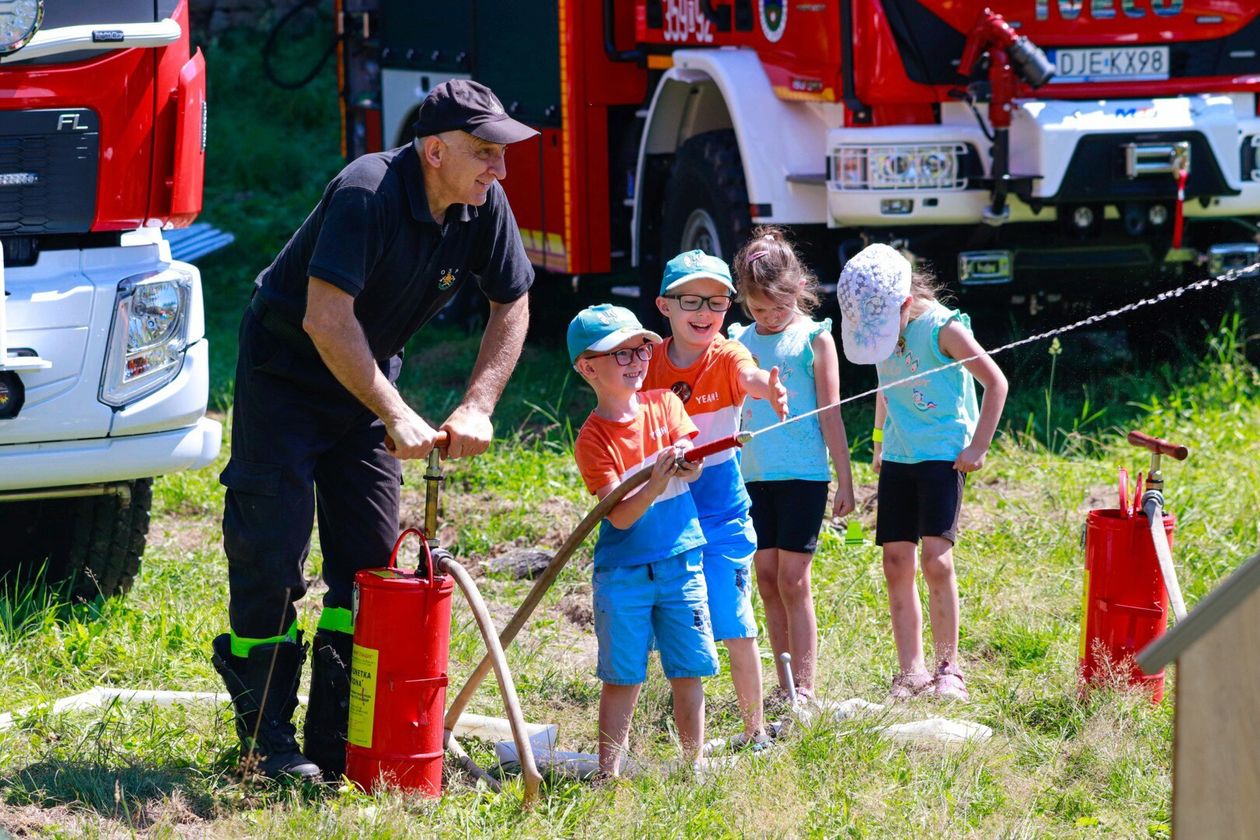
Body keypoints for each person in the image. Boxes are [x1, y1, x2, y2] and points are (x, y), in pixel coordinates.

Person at [211, 79, 538, 780]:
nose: (498, 170)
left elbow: (512, 306)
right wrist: (395, 411)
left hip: (362, 381)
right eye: (485, 153)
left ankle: (340, 739)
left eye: (502, 155)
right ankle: (264, 744)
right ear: (433, 150)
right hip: (286, 374)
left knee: (369, 566)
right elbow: (325, 320)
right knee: (270, 551)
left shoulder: (483, 205)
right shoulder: (367, 193)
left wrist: (478, 403)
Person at [835, 244, 1008, 702]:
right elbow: (884, 388)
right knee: (896, 561)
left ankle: (949, 668)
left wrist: (978, 446)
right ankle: (910, 672)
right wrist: (876, 442)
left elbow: (996, 382)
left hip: (943, 452)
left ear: (905, 303)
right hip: (899, 452)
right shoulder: (880, 333)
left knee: (936, 558)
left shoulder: (942, 328)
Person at [642, 250, 787, 747]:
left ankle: (756, 731)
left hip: (723, 513)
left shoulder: (728, 356)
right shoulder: (650, 363)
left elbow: (748, 377)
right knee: (682, 622)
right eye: (691, 300)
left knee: (735, 621)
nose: (704, 312)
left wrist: (765, 389)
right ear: (665, 306)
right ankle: (690, 739)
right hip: (669, 516)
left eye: (718, 301)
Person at [569, 303, 719, 776]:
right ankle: (607, 774)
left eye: (641, 349)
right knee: (623, 676)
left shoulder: (666, 404)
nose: (636, 361)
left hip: (681, 560)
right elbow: (620, 517)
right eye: (622, 353)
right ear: (588, 367)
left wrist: (687, 463)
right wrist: (654, 481)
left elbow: (691, 465)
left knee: (688, 668)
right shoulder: (592, 439)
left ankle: (691, 765)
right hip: (624, 575)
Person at [727, 228, 856, 706]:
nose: (769, 317)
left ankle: (805, 687)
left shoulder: (814, 339)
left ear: (799, 289)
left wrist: (845, 478)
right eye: (758, 310)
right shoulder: (738, 341)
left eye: (777, 308)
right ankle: (782, 688)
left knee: (792, 578)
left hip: (803, 474)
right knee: (764, 577)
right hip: (752, 475)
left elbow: (832, 414)